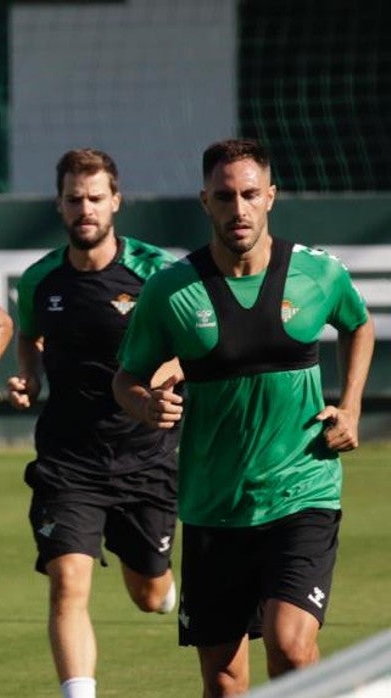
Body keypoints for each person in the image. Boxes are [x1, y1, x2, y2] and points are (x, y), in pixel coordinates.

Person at [113, 138, 374, 696]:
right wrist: (145, 403)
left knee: (290, 644)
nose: (239, 208)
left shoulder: (317, 273)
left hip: (302, 491)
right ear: (204, 201)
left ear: (271, 197)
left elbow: (358, 324)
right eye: (226, 196)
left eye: (250, 194)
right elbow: (127, 378)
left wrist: (350, 405)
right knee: (227, 680)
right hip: (214, 507)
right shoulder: (169, 291)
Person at [8, 149, 180, 698]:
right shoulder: (39, 279)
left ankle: (159, 578)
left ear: (116, 202)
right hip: (68, 460)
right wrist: (28, 375)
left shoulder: (157, 272)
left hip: (146, 454)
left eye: (96, 198)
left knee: (149, 595)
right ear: (60, 205)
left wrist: (167, 379)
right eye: (75, 199)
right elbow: (29, 335)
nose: (86, 208)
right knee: (67, 583)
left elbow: (196, 340)